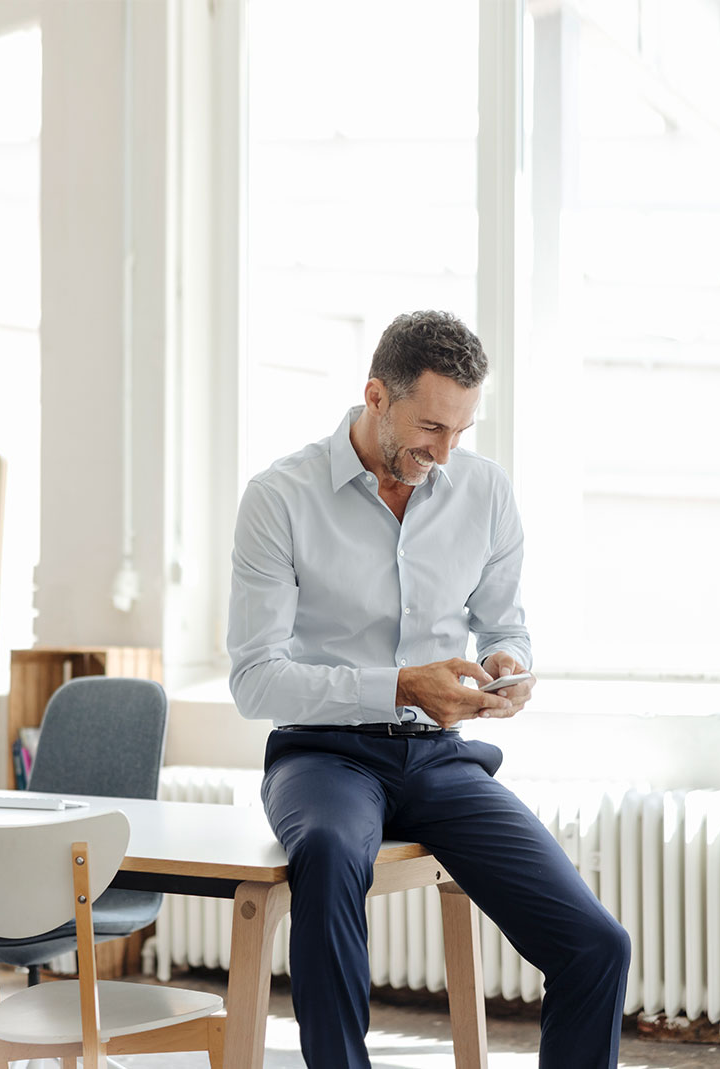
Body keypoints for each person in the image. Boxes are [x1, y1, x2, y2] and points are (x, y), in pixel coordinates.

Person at [228, 310, 630, 1068]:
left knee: (597, 944)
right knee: (326, 852)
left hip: (440, 759)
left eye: (461, 432)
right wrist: (399, 685)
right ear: (377, 395)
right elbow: (255, 679)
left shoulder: (483, 491)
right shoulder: (280, 498)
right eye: (431, 428)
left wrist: (509, 664)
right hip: (324, 757)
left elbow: (504, 623)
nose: (444, 453)